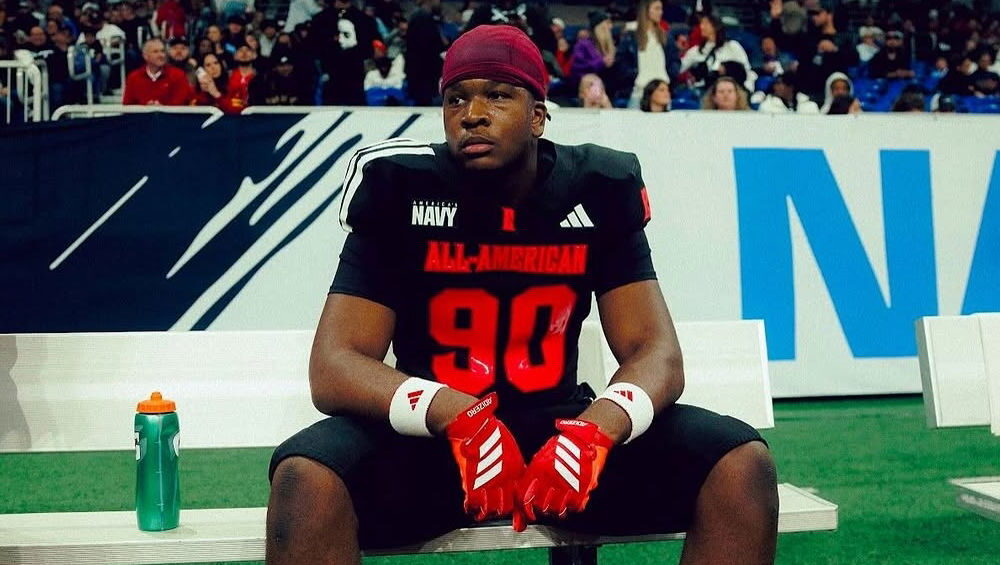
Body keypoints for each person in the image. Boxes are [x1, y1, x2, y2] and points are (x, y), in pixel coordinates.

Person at [265, 23, 777, 565]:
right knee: (307, 478)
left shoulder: (596, 187)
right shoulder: (399, 188)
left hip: (560, 437)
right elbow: (335, 365)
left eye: (498, 95)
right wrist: (455, 414)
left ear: (538, 116)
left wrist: (597, 429)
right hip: (436, 443)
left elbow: (657, 353)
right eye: (456, 98)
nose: (472, 114)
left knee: (738, 463)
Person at [122, 38, 193, 105]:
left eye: (162, 51)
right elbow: (127, 105)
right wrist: (146, 109)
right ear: (145, 56)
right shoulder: (133, 77)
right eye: (155, 52)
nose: (161, 55)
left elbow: (182, 102)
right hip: (141, 114)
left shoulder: (178, 75)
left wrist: (161, 109)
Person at [627, 0, 669, 109]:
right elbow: (623, 62)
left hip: (662, 93)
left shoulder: (664, 36)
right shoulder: (631, 35)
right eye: (657, 8)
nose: (661, 12)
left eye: (661, 9)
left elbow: (673, 61)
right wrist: (634, 75)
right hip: (639, 92)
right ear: (646, 10)